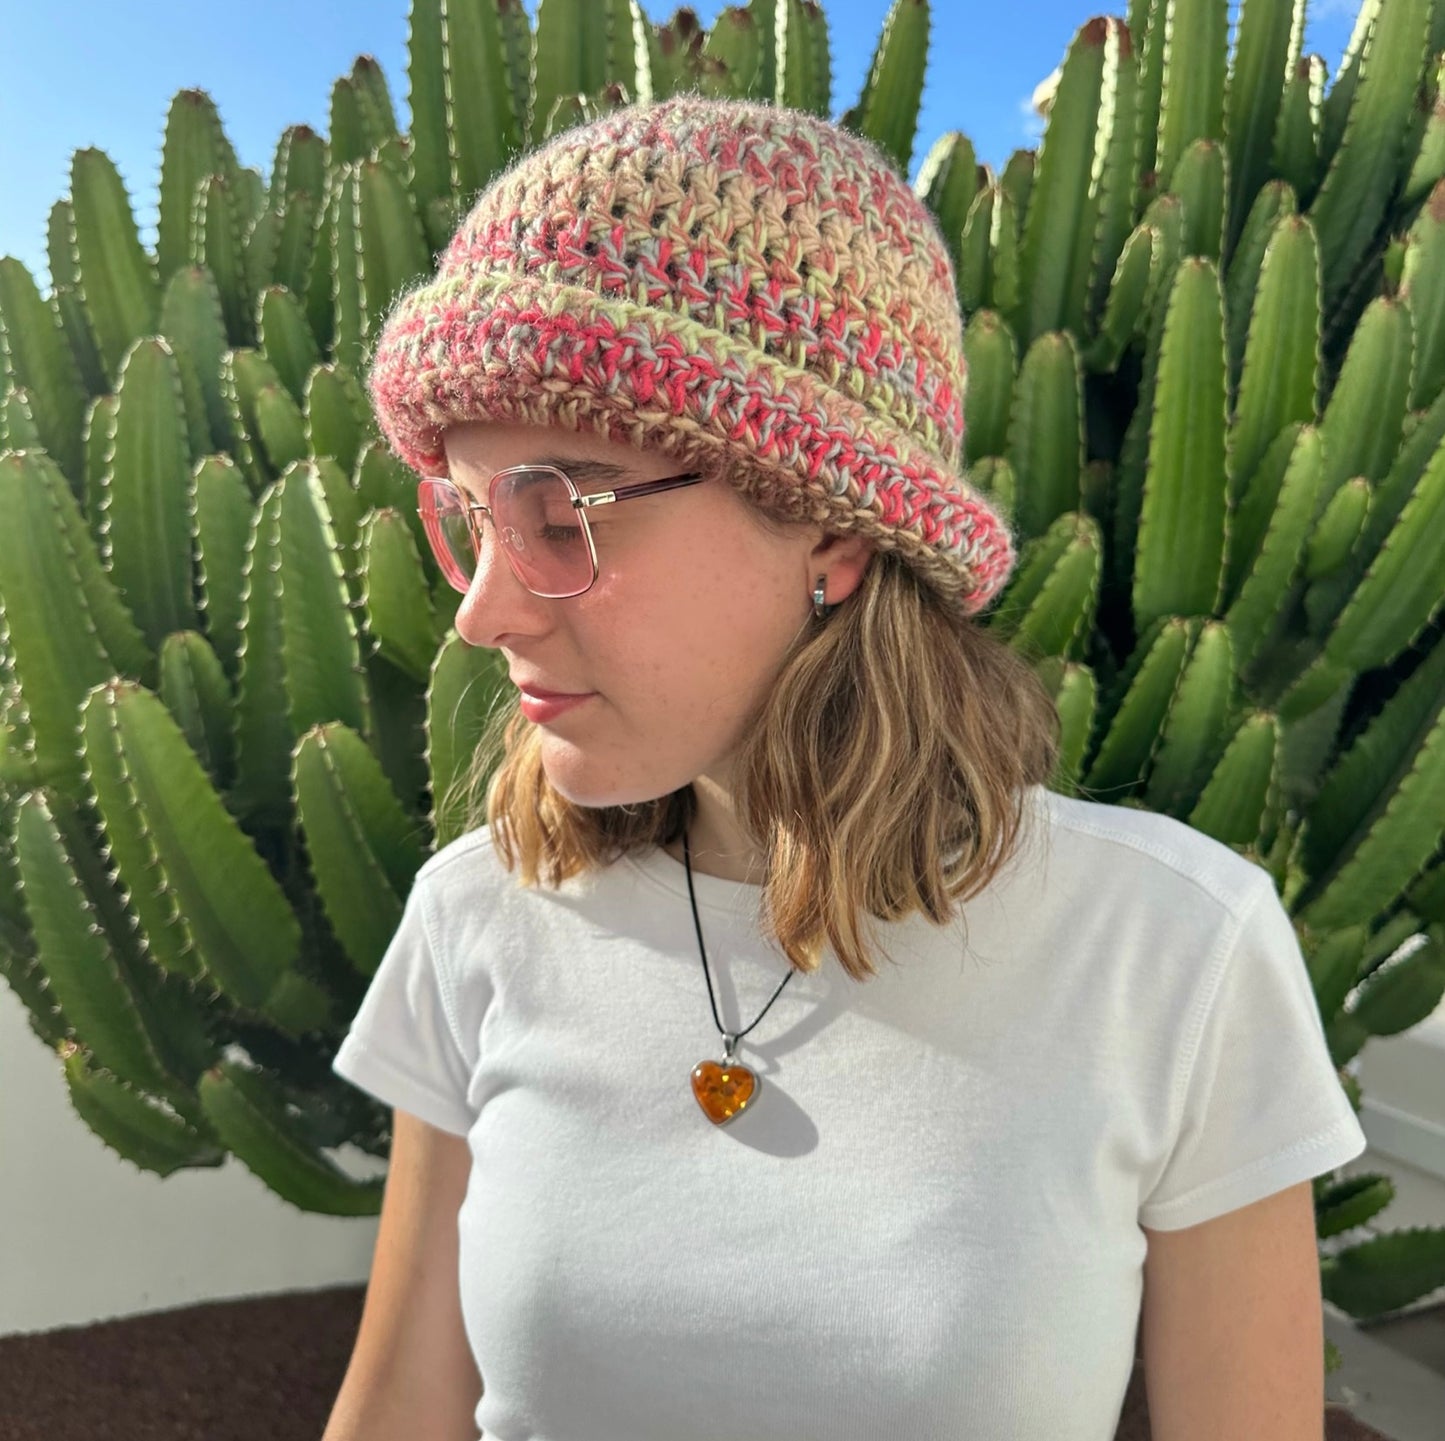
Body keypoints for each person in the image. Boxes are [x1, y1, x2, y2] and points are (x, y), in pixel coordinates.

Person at [329, 95, 1366, 1440]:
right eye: (470, 519)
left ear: (832, 533)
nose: (481, 611)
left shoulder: (1170, 949)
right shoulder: (478, 915)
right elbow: (404, 1403)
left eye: (559, 510)